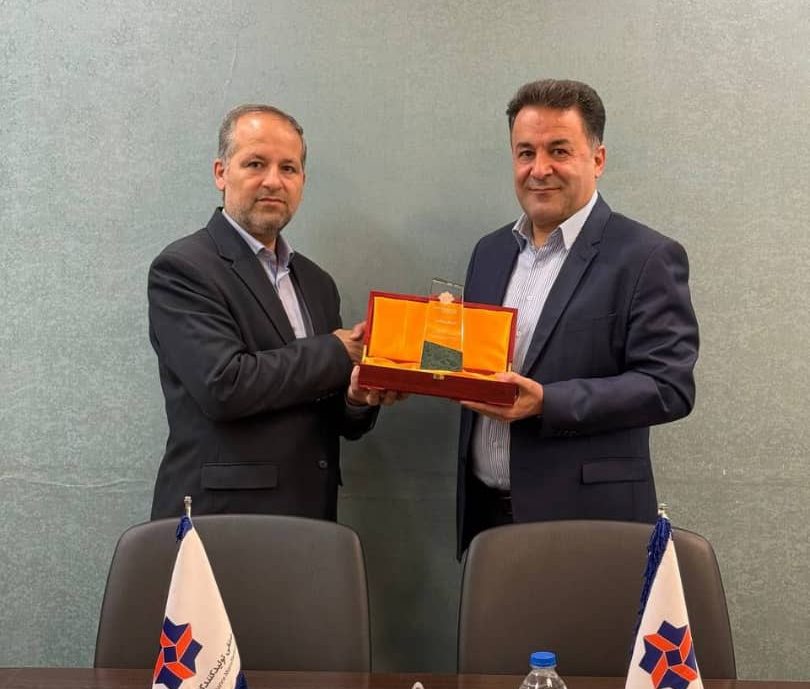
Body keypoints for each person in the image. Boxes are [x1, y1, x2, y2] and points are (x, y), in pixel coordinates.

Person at [456, 79, 699, 557]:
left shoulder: (647, 256)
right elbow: (472, 360)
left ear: (598, 159)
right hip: (487, 519)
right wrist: (409, 368)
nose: (539, 169)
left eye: (559, 151)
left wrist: (548, 402)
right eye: (526, 153)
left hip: (590, 523)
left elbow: (669, 387)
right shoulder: (489, 252)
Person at [148, 104, 396, 521]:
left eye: (289, 168)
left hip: (311, 518)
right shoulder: (184, 268)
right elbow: (224, 386)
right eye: (255, 164)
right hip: (222, 522)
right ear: (221, 173)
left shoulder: (317, 283)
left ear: (302, 182)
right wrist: (337, 352)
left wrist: (356, 396)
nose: (273, 181)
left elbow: (327, 411)